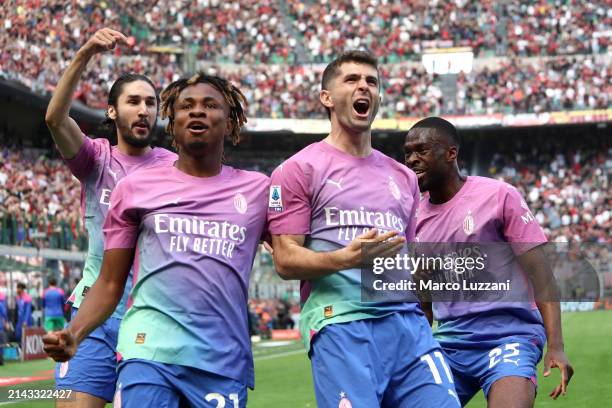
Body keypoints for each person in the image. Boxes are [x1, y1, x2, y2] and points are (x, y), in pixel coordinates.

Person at [44, 73, 269, 408]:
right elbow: (109, 281)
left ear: (230, 120)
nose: (197, 112)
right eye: (186, 106)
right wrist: (74, 332)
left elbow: (291, 253)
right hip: (134, 334)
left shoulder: (258, 191)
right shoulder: (118, 175)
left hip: (217, 355)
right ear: (172, 120)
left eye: (210, 105)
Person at [268, 51, 459, 407]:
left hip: (408, 325)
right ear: (327, 97)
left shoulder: (402, 176)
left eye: (371, 81)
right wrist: (346, 258)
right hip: (341, 322)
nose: (364, 87)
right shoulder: (298, 169)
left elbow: (410, 258)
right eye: (352, 80)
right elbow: (285, 259)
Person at [44, 27, 177, 407]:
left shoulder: (174, 167)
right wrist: (85, 52)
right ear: (112, 110)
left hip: (151, 313)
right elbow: (55, 118)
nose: (144, 110)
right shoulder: (96, 158)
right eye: (133, 101)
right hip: (93, 312)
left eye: (151, 102)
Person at [404, 116, 574, 407]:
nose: (411, 160)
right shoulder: (414, 217)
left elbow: (541, 274)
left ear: (451, 153)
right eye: (407, 153)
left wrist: (556, 346)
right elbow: (424, 299)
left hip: (510, 337)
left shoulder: (498, 195)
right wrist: (412, 353)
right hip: (450, 343)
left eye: (421, 150)